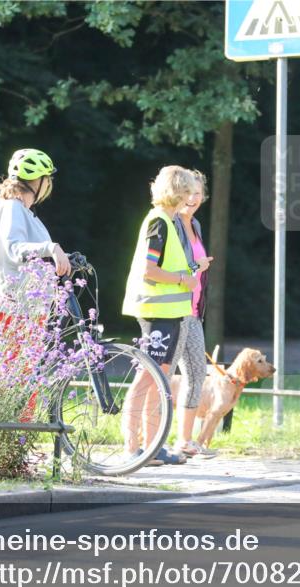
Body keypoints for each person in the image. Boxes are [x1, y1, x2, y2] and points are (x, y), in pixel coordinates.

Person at [0, 148, 70, 421]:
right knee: (12, 381)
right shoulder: (12, 207)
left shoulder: (22, 210)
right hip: (8, 307)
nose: (49, 185)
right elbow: (15, 249)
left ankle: (17, 440)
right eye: (48, 179)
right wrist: (51, 247)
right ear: (38, 181)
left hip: (22, 308)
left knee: (22, 380)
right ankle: (6, 439)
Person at [121, 165, 199, 465]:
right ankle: (131, 448)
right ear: (178, 191)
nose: (191, 197)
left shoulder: (168, 220)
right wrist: (182, 279)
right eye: (188, 191)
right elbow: (149, 270)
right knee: (146, 378)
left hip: (170, 313)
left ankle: (152, 447)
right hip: (155, 312)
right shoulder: (159, 222)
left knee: (160, 380)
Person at [169, 169, 215, 458]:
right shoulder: (170, 222)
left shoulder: (195, 224)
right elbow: (172, 265)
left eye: (198, 193)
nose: (193, 198)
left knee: (197, 373)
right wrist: (198, 266)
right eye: (188, 192)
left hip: (194, 310)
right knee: (162, 374)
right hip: (173, 309)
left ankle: (185, 440)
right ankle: (152, 441)